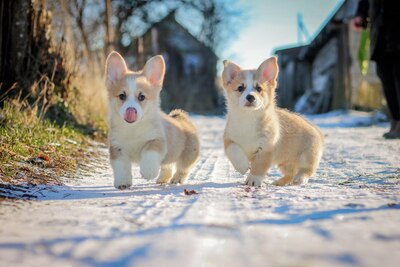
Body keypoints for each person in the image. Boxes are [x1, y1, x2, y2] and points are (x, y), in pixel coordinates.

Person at [352, 0, 400, 139]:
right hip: (380, 35)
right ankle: (395, 121)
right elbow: (364, 4)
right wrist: (360, 16)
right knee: (386, 80)